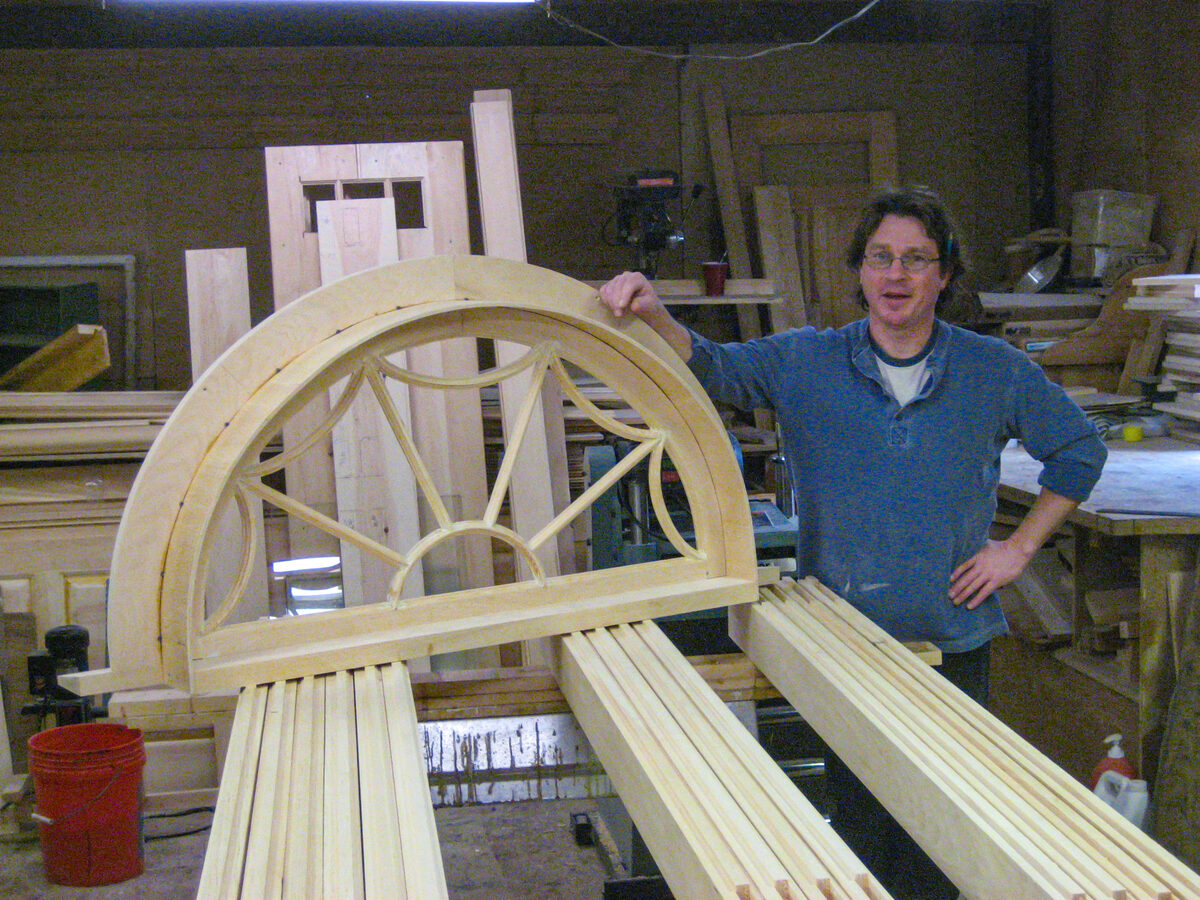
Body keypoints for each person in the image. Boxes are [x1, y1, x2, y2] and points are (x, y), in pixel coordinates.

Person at [599, 185, 1107, 900]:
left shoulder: (995, 371)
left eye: (916, 260)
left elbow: (1080, 454)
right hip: (841, 649)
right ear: (860, 270)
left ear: (945, 275)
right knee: (862, 836)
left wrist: (1018, 549)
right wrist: (652, 310)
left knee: (946, 841)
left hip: (949, 645)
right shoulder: (805, 362)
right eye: (880, 258)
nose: (895, 276)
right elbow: (713, 365)